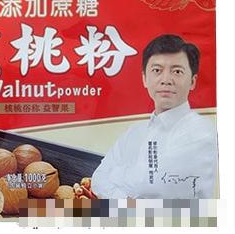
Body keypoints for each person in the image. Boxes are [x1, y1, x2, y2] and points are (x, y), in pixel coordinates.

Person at [91, 34, 218, 198]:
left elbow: (159, 186)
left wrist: (117, 175)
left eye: (177, 71)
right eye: (157, 70)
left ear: (193, 81)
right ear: (144, 78)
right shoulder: (134, 132)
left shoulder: (202, 131)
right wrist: (131, 202)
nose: (166, 80)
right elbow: (98, 178)